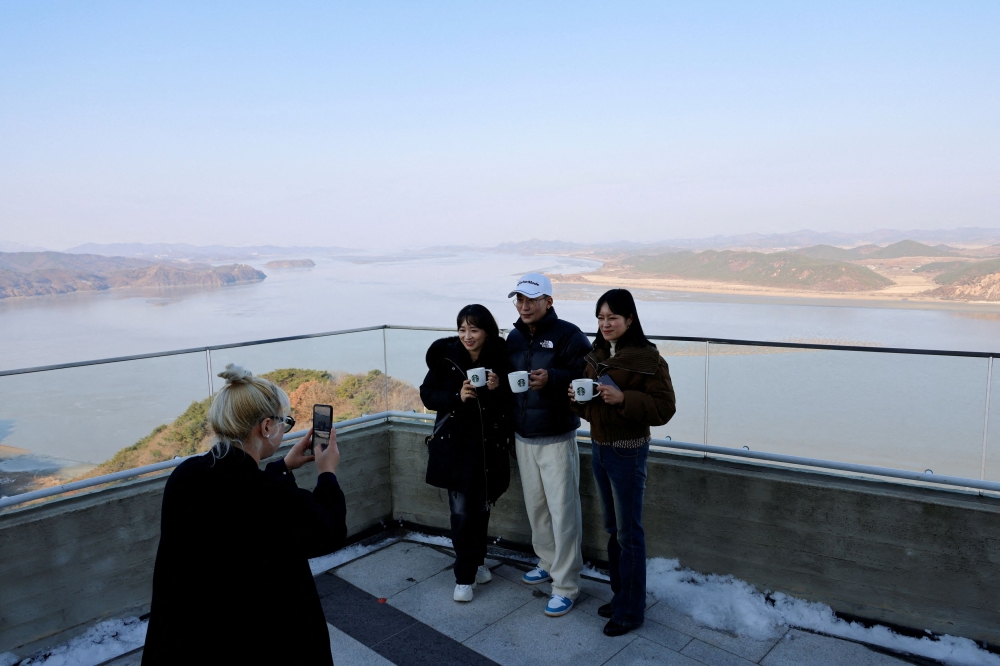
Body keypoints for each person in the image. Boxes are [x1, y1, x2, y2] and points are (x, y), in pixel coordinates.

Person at [142, 364, 347, 666]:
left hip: (187, 639)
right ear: (266, 427)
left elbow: (242, 496)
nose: (284, 429)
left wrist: (282, 467)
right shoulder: (270, 496)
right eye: (284, 423)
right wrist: (327, 472)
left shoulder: (186, 476)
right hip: (256, 642)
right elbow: (329, 531)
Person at [569, 289, 675, 637]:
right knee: (614, 530)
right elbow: (588, 409)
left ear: (630, 319)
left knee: (630, 533)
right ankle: (620, 597)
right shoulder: (596, 354)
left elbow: (663, 409)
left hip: (628, 451)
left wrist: (623, 398)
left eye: (612, 317)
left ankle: (631, 610)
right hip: (600, 447)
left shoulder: (649, 359)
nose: (605, 324)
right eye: (600, 318)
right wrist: (577, 399)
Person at [506, 272, 591, 617]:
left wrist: (554, 378)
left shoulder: (569, 335)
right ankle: (547, 561)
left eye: (531, 300)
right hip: (523, 436)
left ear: (549, 301)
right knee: (537, 508)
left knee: (563, 512)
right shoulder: (512, 337)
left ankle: (567, 584)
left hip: (557, 437)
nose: (524, 306)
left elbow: (590, 377)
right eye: (519, 300)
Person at [420, 305, 512, 602]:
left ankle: (478, 562)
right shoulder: (446, 358)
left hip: (487, 447)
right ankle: (463, 577)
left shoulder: (501, 358)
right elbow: (427, 394)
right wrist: (456, 397)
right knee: (460, 513)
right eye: (462, 329)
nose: (467, 336)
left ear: (487, 331)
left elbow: (511, 403)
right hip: (456, 447)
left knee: (482, 507)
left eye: (473, 330)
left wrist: (499, 388)